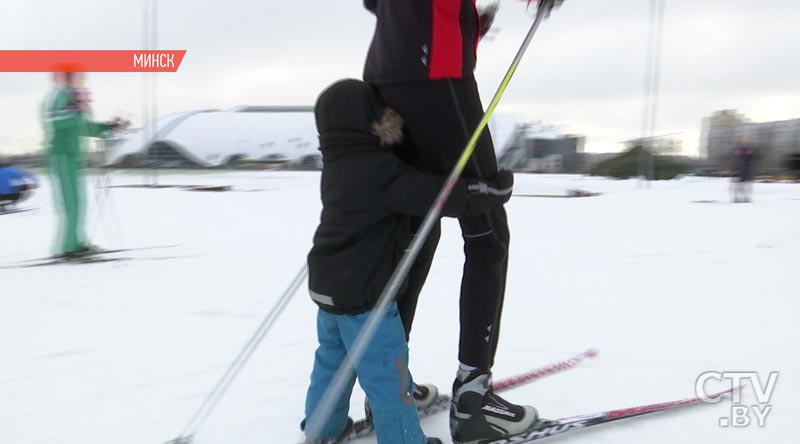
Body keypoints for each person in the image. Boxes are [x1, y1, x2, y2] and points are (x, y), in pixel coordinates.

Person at [362, 1, 561, 443]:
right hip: (434, 69)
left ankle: (387, 390)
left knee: (415, 228)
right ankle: (474, 399)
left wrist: (466, 24)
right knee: (487, 229)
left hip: (383, 73)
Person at [302, 79, 513, 444]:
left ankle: (323, 428)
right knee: (388, 374)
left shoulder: (336, 167)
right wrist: (485, 192)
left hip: (327, 288)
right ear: (369, 121)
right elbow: (434, 196)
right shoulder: (378, 170)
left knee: (332, 363)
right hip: (366, 296)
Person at [40, 69, 123, 258]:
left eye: (79, 76)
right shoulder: (56, 96)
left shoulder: (74, 97)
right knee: (70, 204)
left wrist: (108, 127)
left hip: (74, 156)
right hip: (61, 154)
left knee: (79, 203)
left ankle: (77, 243)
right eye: (73, 76)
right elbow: (54, 121)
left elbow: (83, 126)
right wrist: (77, 110)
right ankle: (67, 247)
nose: (78, 79)